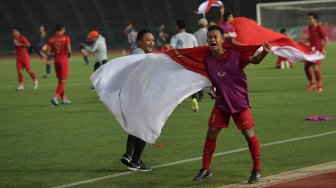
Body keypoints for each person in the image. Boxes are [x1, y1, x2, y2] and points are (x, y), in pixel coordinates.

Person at [192, 25, 272, 184]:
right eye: (210, 37)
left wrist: (264, 52)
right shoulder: (207, 57)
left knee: (248, 134)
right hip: (221, 101)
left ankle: (256, 170)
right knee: (211, 132)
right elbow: (189, 60)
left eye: (215, 37)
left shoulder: (235, 55)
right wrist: (174, 52)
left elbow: (254, 61)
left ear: (222, 40)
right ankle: (205, 169)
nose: (212, 40)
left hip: (238, 102)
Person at [120, 29, 155, 172]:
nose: (151, 42)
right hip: (139, 98)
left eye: (152, 39)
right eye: (148, 39)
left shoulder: (140, 53)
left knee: (136, 127)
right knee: (144, 128)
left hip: (136, 97)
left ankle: (129, 155)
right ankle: (135, 162)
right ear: (140, 41)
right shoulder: (138, 54)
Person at [170, 19, 200, 112]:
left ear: (176, 27)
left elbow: (172, 50)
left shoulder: (174, 38)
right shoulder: (192, 36)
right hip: (191, 62)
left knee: (179, 82)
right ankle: (194, 99)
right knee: (191, 82)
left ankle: (178, 101)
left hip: (180, 62)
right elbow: (197, 49)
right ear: (185, 27)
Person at [47, 23, 72, 105]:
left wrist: (54, 55)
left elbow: (48, 52)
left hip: (56, 60)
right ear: (63, 29)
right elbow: (69, 51)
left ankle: (63, 99)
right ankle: (55, 98)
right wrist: (68, 56)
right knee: (63, 80)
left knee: (60, 80)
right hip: (63, 60)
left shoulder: (51, 39)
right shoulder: (66, 38)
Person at [304, 13, 328, 92]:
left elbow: (326, 39)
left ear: (315, 19)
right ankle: (312, 83)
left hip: (318, 53)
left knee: (315, 67)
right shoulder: (310, 28)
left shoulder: (319, 28)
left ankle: (319, 86)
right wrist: (306, 41)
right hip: (311, 52)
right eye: (308, 19)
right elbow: (311, 38)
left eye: (310, 19)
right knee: (306, 68)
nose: (309, 21)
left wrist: (323, 49)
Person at [12, 26, 38, 91]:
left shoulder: (22, 37)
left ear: (18, 32)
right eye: (12, 31)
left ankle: (35, 81)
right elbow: (17, 46)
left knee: (29, 70)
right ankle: (21, 86)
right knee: (19, 71)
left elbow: (28, 44)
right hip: (18, 58)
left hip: (24, 57)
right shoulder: (15, 39)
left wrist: (19, 44)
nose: (13, 33)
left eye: (14, 31)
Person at [193, 18, 209, 102]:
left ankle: (201, 96)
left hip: (198, 58)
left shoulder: (194, 34)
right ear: (206, 24)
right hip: (208, 57)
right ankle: (214, 93)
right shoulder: (209, 33)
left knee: (199, 77)